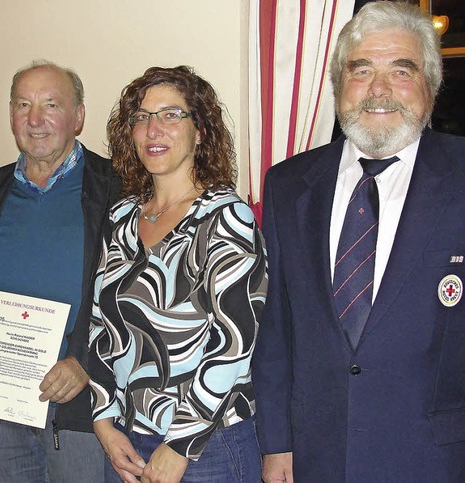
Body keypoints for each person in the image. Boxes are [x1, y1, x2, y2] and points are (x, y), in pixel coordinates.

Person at [254, 2, 465, 482]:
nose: (379, 89)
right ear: (337, 86)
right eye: (361, 69)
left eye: (401, 70)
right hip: (314, 456)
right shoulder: (288, 184)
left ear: (429, 87)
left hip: (436, 459)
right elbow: (275, 327)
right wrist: (277, 442)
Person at [89, 66, 267, 483]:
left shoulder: (226, 217)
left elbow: (234, 342)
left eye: (171, 115)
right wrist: (103, 422)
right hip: (126, 440)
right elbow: (100, 327)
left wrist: (180, 443)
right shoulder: (120, 218)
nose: (154, 129)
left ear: (200, 130)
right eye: (142, 117)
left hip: (208, 446)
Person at [0, 60, 119, 482]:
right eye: (23, 104)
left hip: (78, 402)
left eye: (51, 104)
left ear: (78, 116)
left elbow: (127, 293)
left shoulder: (115, 188)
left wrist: (84, 361)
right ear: (11, 116)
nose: (35, 119)